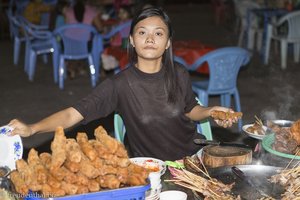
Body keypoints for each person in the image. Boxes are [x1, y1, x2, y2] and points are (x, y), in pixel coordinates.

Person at [9, 7, 238, 161]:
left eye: (158, 33)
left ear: (168, 43)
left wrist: (210, 110)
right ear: (132, 40)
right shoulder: (119, 85)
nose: (150, 39)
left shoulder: (179, 73)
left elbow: (190, 110)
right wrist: (32, 128)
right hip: (153, 168)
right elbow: (72, 115)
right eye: (142, 32)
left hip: (191, 159)